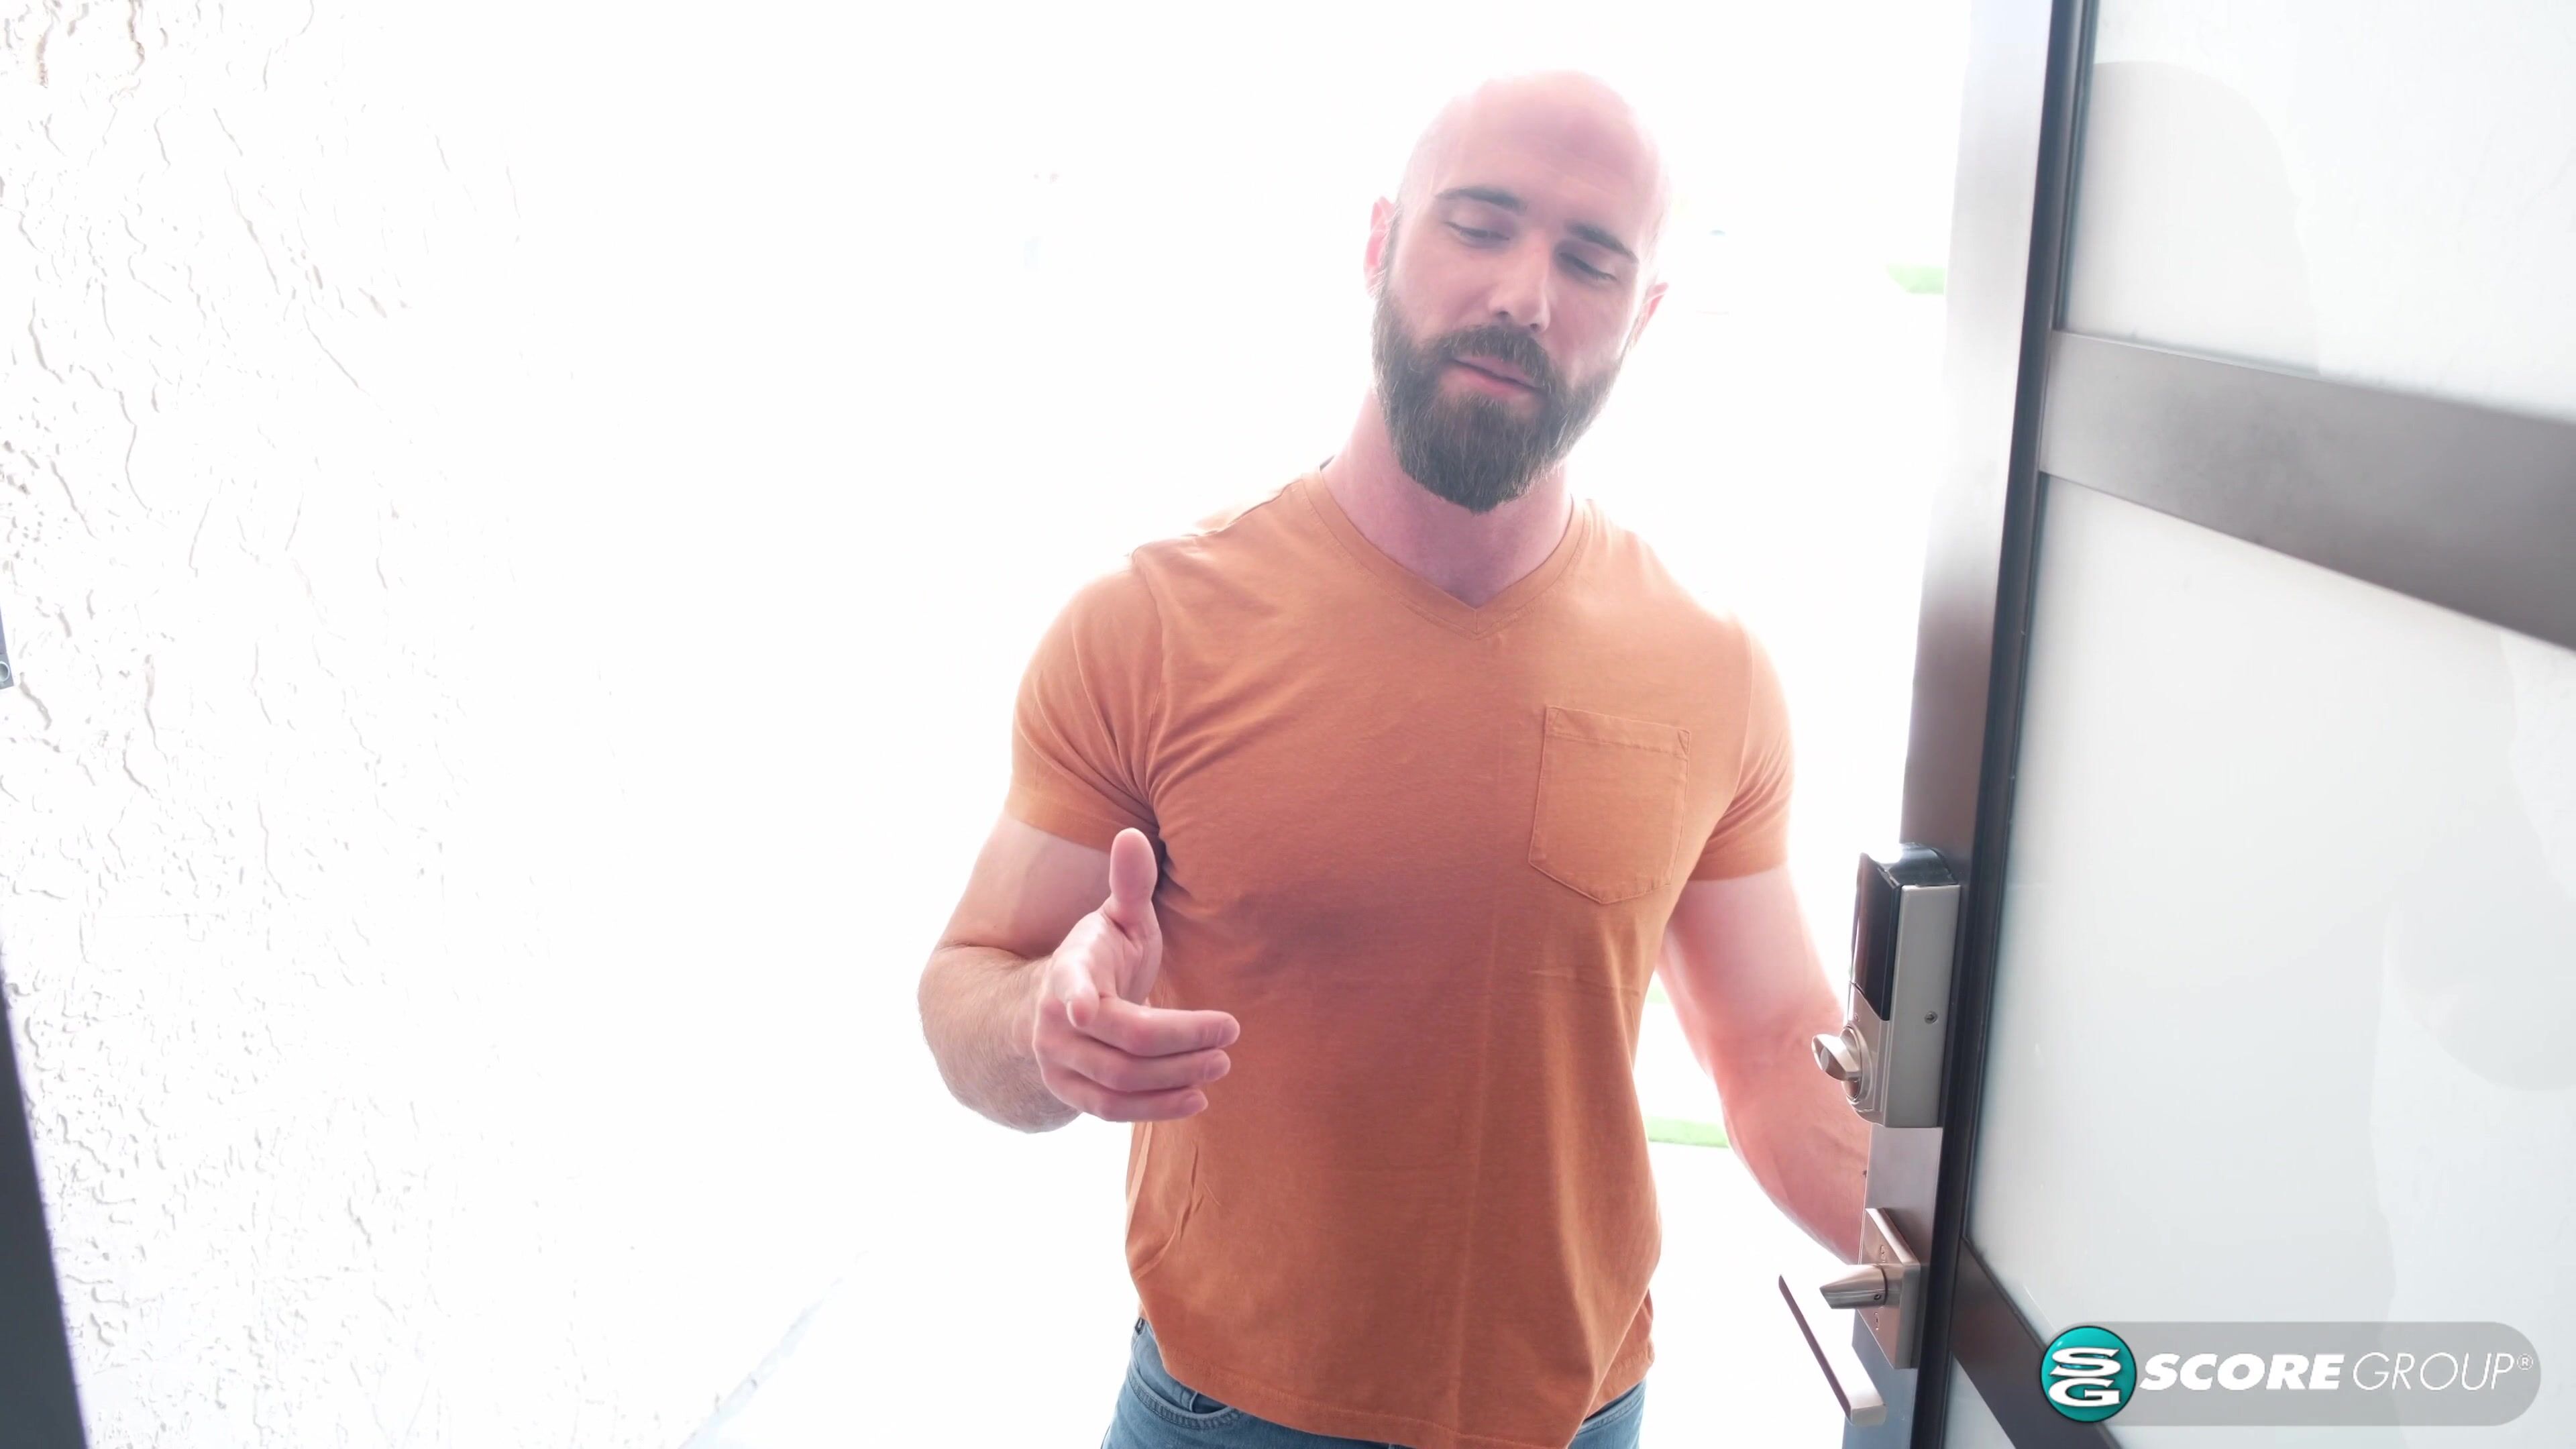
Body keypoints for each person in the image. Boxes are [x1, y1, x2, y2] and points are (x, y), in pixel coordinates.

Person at [917, 70, 1869, 1449]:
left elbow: (1778, 1050)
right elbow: (969, 982)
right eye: (1479, 225)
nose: (1526, 294)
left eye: (1591, 260)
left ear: (1644, 314)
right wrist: (1043, 1033)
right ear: (1380, 242)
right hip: (1226, 1413)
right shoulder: (1152, 627)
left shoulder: (1709, 666)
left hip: (1578, 1414)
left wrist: (1983, 1281)